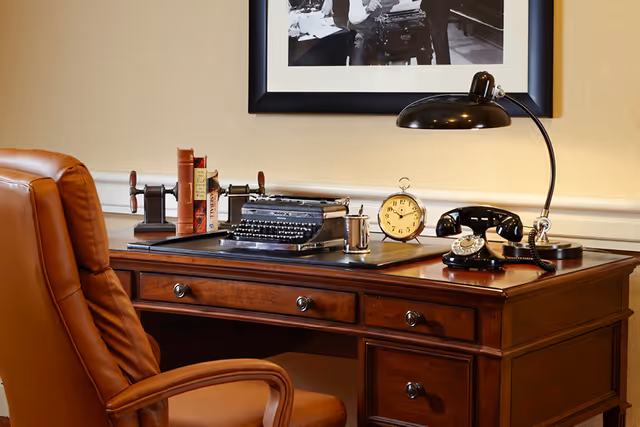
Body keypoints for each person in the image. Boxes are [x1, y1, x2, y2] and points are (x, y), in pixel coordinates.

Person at [421, 0, 452, 64]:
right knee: (443, 40)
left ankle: (440, 61)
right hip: (443, 16)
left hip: (433, 17)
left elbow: (423, 6)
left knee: (437, 42)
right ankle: (446, 62)